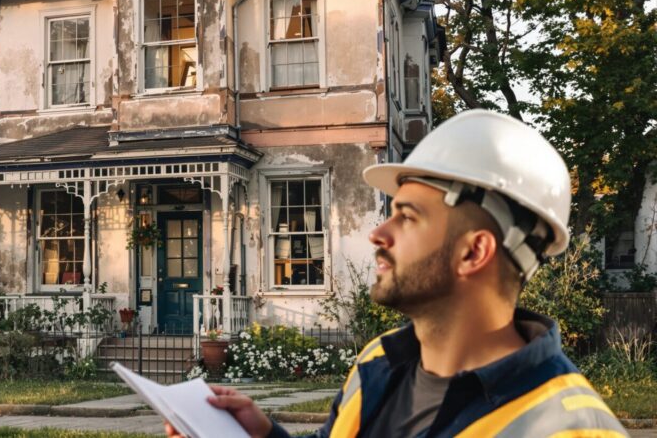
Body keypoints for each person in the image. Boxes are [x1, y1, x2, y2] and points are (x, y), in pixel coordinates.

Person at [164, 109, 627, 438]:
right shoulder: (380, 362)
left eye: (407, 216)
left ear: (474, 252)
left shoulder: (568, 427)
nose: (378, 233)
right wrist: (263, 435)